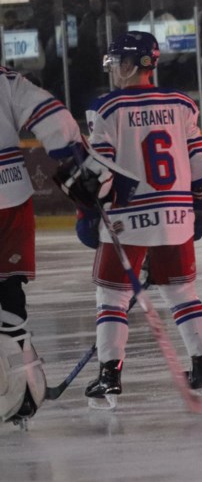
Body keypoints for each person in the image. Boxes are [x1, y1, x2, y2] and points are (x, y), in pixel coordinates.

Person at [81, 31, 202, 407]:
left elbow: (98, 171)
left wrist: (86, 212)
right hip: (176, 213)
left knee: (111, 296)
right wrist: (201, 201)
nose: (113, 70)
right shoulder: (181, 103)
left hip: (126, 218)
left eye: (115, 62)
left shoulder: (107, 109)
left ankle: (109, 374)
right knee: (183, 293)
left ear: (129, 65)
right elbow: (201, 164)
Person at [0, 66, 99, 426]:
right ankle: (23, 394)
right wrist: (76, 160)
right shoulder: (6, 79)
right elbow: (51, 114)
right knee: (10, 294)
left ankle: (17, 392)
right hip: (10, 197)